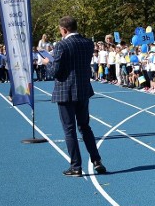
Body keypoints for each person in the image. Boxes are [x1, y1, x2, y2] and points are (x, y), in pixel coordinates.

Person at [40, 16, 107, 177]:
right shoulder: (88, 43)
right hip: (83, 89)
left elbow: (55, 71)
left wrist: (46, 63)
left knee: (69, 129)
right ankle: (96, 160)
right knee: (85, 126)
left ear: (64, 30)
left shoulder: (62, 44)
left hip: (66, 91)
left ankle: (76, 166)